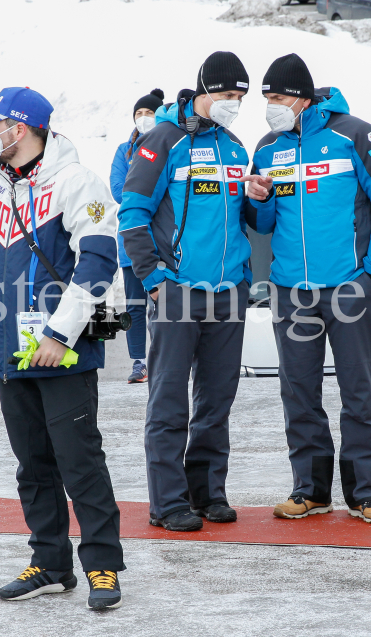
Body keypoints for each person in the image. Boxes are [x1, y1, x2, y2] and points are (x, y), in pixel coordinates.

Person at [0, 86, 124, 610]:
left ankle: (102, 566)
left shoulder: (78, 182)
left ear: (22, 128)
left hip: (63, 353)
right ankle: (50, 563)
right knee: (32, 466)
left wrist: (59, 332)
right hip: (10, 355)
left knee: (80, 464)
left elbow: (98, 263)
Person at [244, 54, 371, 525]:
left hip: (348, 287)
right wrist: (260, 200)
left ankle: (368, 493)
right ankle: (310, 489)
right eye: (266, 99)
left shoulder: (355, 135)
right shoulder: (268, 148)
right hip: (291, 290)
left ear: (302, 97)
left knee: (358, 391)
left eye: (276, 98)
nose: (270, 107)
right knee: (299, 393)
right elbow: (261, 225)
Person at [118, 52, 251, 532]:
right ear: (202, 92)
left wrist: (261, 194)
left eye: (240, 97)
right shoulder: (163, 140)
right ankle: (168, 501)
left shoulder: (235, 146)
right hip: (176, 290)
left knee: (216, 402)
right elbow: (131, 213)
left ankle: (207, 491)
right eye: (227, 96)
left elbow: (242, 220)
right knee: (170, 400)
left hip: (228, 292)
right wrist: (154, 280)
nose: (233, 105)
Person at [110, 88, 165, 383]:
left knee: (166, 303)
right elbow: (119, 190)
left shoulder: (171, 144)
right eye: (139, 114)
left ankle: (165, 358)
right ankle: (138, 362)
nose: (144, 118)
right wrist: (149, 192)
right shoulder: (124, 151)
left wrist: (143, 191)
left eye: (149, 113)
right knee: (135, 305)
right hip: (131, 241)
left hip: (164, 243)